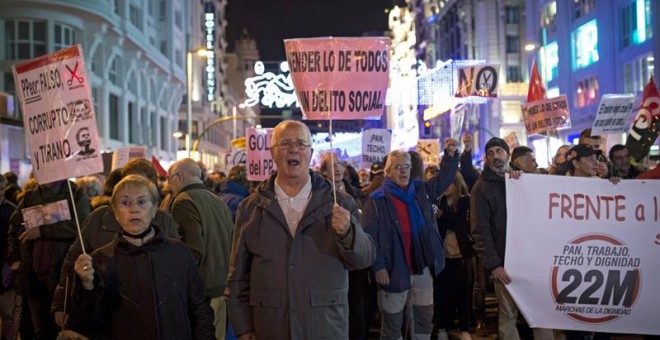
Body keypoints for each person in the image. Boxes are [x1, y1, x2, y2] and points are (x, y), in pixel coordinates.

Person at [226, 120, 375, 340]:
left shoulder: (339, 202)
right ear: (273, 152)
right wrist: (243, 327)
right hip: (271, 328)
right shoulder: (251, 207)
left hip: (324, 326)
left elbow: (364, 259)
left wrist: (348, 233)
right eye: (285, 143)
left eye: (301, 144)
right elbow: (238, 275)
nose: (294, 149)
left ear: (310, 152)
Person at [67, 175, 215, 338]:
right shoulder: (100, 260)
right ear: (116, 212)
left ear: (154, 209)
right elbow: (86, 323)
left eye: (142, 202)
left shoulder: (179, 253)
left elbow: (200, 308)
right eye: (125, 203)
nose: (134, 209)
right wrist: (87, 286)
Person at [51, 160, 180, 329]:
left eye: (141, 188)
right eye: (129, 185)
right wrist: (63, 302)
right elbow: (73, 262)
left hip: (154, 314)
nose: (134, 205)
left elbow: (179, 270)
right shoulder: (99, 218)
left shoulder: (164, 220)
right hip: (106, 313)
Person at [470, 137, 554, 340]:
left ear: (508, 155)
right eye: (490, 153)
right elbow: (480, 231)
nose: (495, 156)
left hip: (533, 260)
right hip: (505, 263)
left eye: (499, 151)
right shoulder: (481, 188)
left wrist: (523, 180)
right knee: (507, 317)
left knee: (541, 314)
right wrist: (495, 265)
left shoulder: (524, 179)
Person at [362, 150, 447, 340]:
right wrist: (379, 267)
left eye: (406, 166)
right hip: (394, 270)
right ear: (388, 171)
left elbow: (444, 180)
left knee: (424, 318)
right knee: (393, 323)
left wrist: (453, 155)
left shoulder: (419, 192)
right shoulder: (377, 200)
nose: (403, 171)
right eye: (398, 166)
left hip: (421, 267)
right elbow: (371, 238)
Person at [8, 179, 90, 339]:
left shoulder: (75, 194)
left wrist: (43, 231)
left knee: (60, 325)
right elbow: (14, 226)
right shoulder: (31, 196)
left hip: (63, 273)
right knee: (36, 327)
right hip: (32, 273)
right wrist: (15, 258)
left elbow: (81, 227)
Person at [168, 158, 234, 340]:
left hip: (201, 293)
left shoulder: (183, 201)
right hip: (222, 287)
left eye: (169, 179)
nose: (168, 185)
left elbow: (193, 251)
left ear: (179, 177)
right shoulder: (218, 200)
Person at [433, 171, 473, 340]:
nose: (445, 187)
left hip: (460, 256)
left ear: (456, 184)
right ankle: (442, 327)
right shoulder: (438, 202)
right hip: (442, 258)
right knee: (441, 293)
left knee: (463, 293)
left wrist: (443, 215)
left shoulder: (465, 202)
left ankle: (464, 328)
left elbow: (463, 227)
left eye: (449, 183)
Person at [0, 176, 17, 340]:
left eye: (2, 189)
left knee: (9, 316)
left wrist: (11, 262)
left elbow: (15, 238)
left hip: (5, 269)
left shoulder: (11, 210)